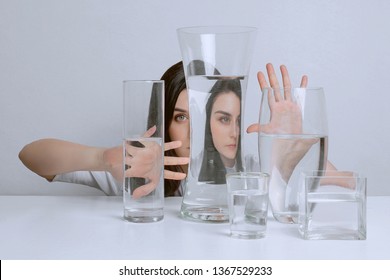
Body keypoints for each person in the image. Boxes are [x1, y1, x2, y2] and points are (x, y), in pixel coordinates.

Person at [19, 61, 335, 197]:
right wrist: (103, 158)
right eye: (183, 117)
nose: (197, 131)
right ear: (165, 122)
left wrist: (290, 147)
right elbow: (31, 156)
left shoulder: (248, 171)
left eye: (218, 117)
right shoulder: (138, 170)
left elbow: (339, 181)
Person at [198, 78, 243, 184]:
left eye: (239, 120)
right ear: (208, 122)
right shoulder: (193, 169)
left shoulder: (254, 168)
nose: (234, 133)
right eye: (225, 119)